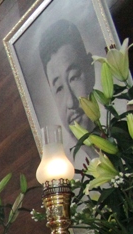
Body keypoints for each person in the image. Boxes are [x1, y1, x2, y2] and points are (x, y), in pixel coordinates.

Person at [39, 19, 96, 168]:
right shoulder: (68, 171)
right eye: (59, 88)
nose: (71, 102)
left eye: (73, 78)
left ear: (91, 69)